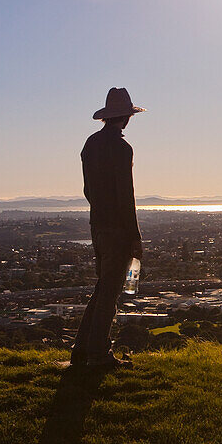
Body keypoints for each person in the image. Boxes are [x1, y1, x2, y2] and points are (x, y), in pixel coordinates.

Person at [70, 87, 145, 368]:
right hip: (118, 230)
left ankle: (82, 350)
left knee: (103, 288)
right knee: (110, 293)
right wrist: (135, 236)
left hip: (98, 226)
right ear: (126, 116)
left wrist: (99, 213)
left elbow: (89, 189)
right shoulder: (122, 148)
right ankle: (98, 354)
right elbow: (127, 195)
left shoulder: (91, 144)